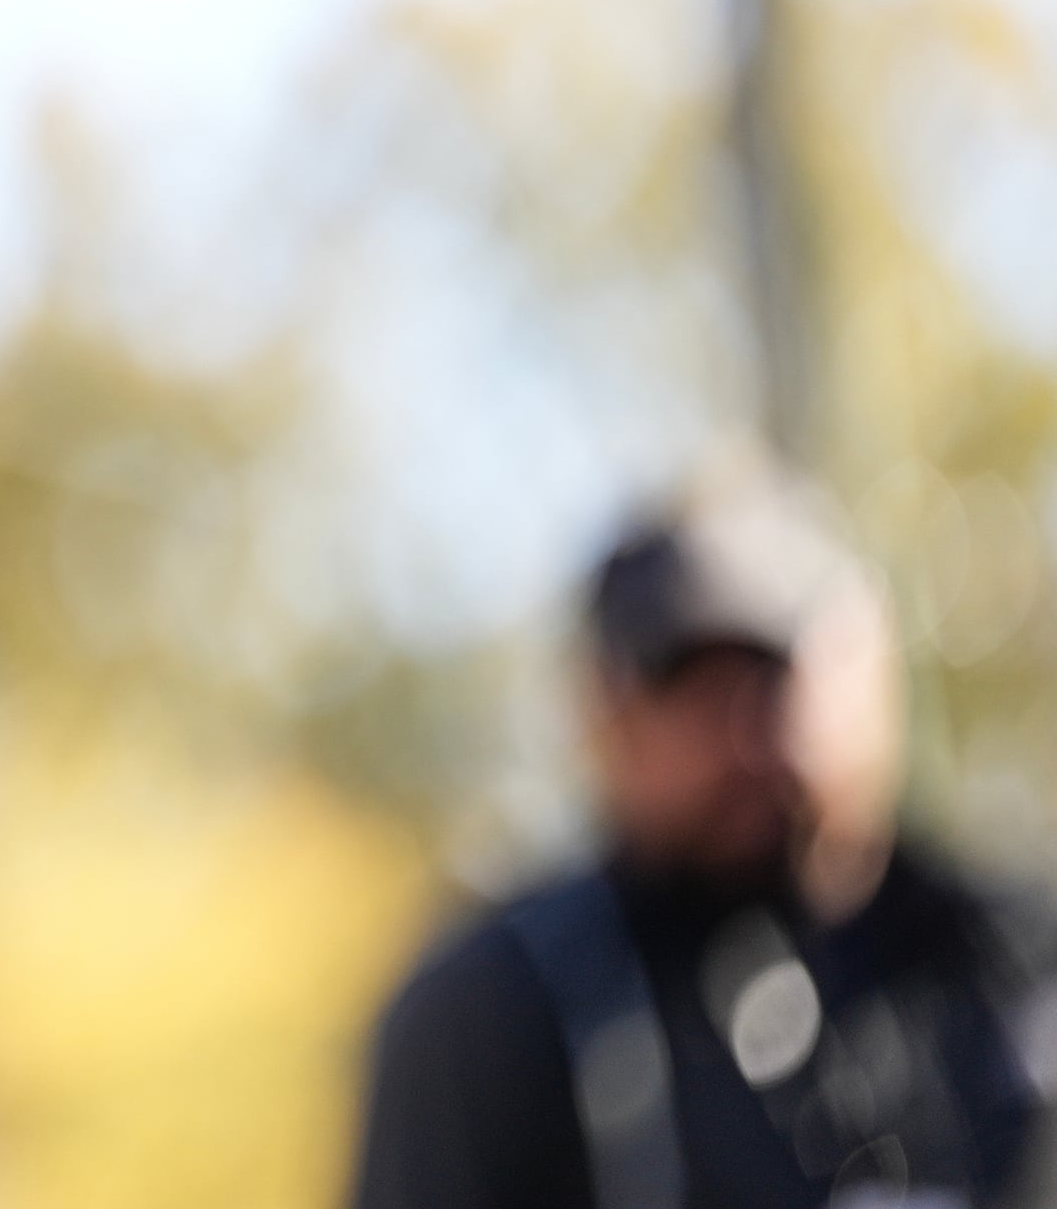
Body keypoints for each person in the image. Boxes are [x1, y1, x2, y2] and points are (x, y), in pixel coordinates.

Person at [350, 480, 1057, 1209]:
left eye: (774, 676)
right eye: (688, 686)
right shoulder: (498, 1015)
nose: (742, 737)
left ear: (874, 669)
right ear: (605, 710)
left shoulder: (1019, 972)